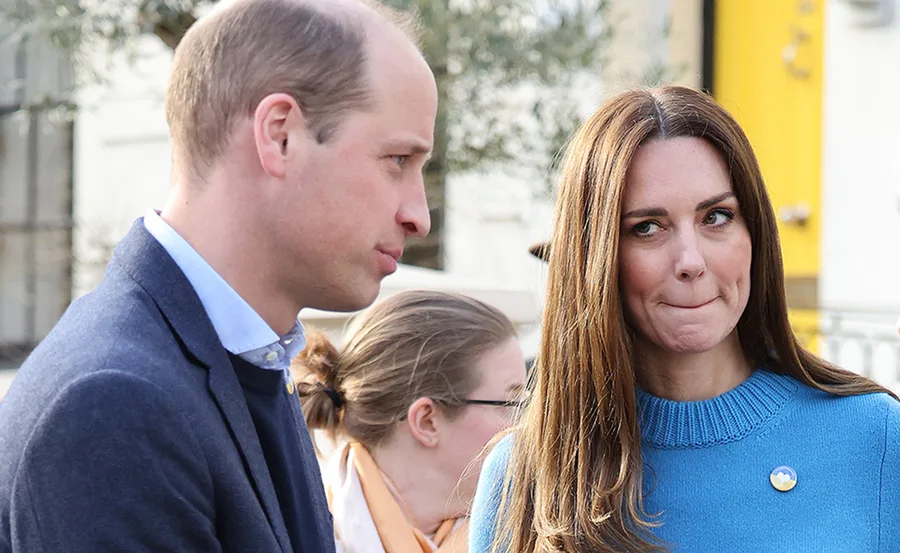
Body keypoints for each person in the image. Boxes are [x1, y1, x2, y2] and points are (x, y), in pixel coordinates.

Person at [0, 0, 437, 550]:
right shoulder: (114, 404)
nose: (418, 216)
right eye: (397, 159)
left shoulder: (243, 360)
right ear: (280, 135)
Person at [469, 85, 900, 553]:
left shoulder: (874, 439)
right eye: (647, 227)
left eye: (716, 216)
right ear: (595, 257)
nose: (690, 261)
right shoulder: (527, 476)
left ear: (754, 232)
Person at [291, 290, 527, 553]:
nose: (526, 425)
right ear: (427, 421)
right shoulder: (299, 539)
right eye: (511, 404)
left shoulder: (534, 538)